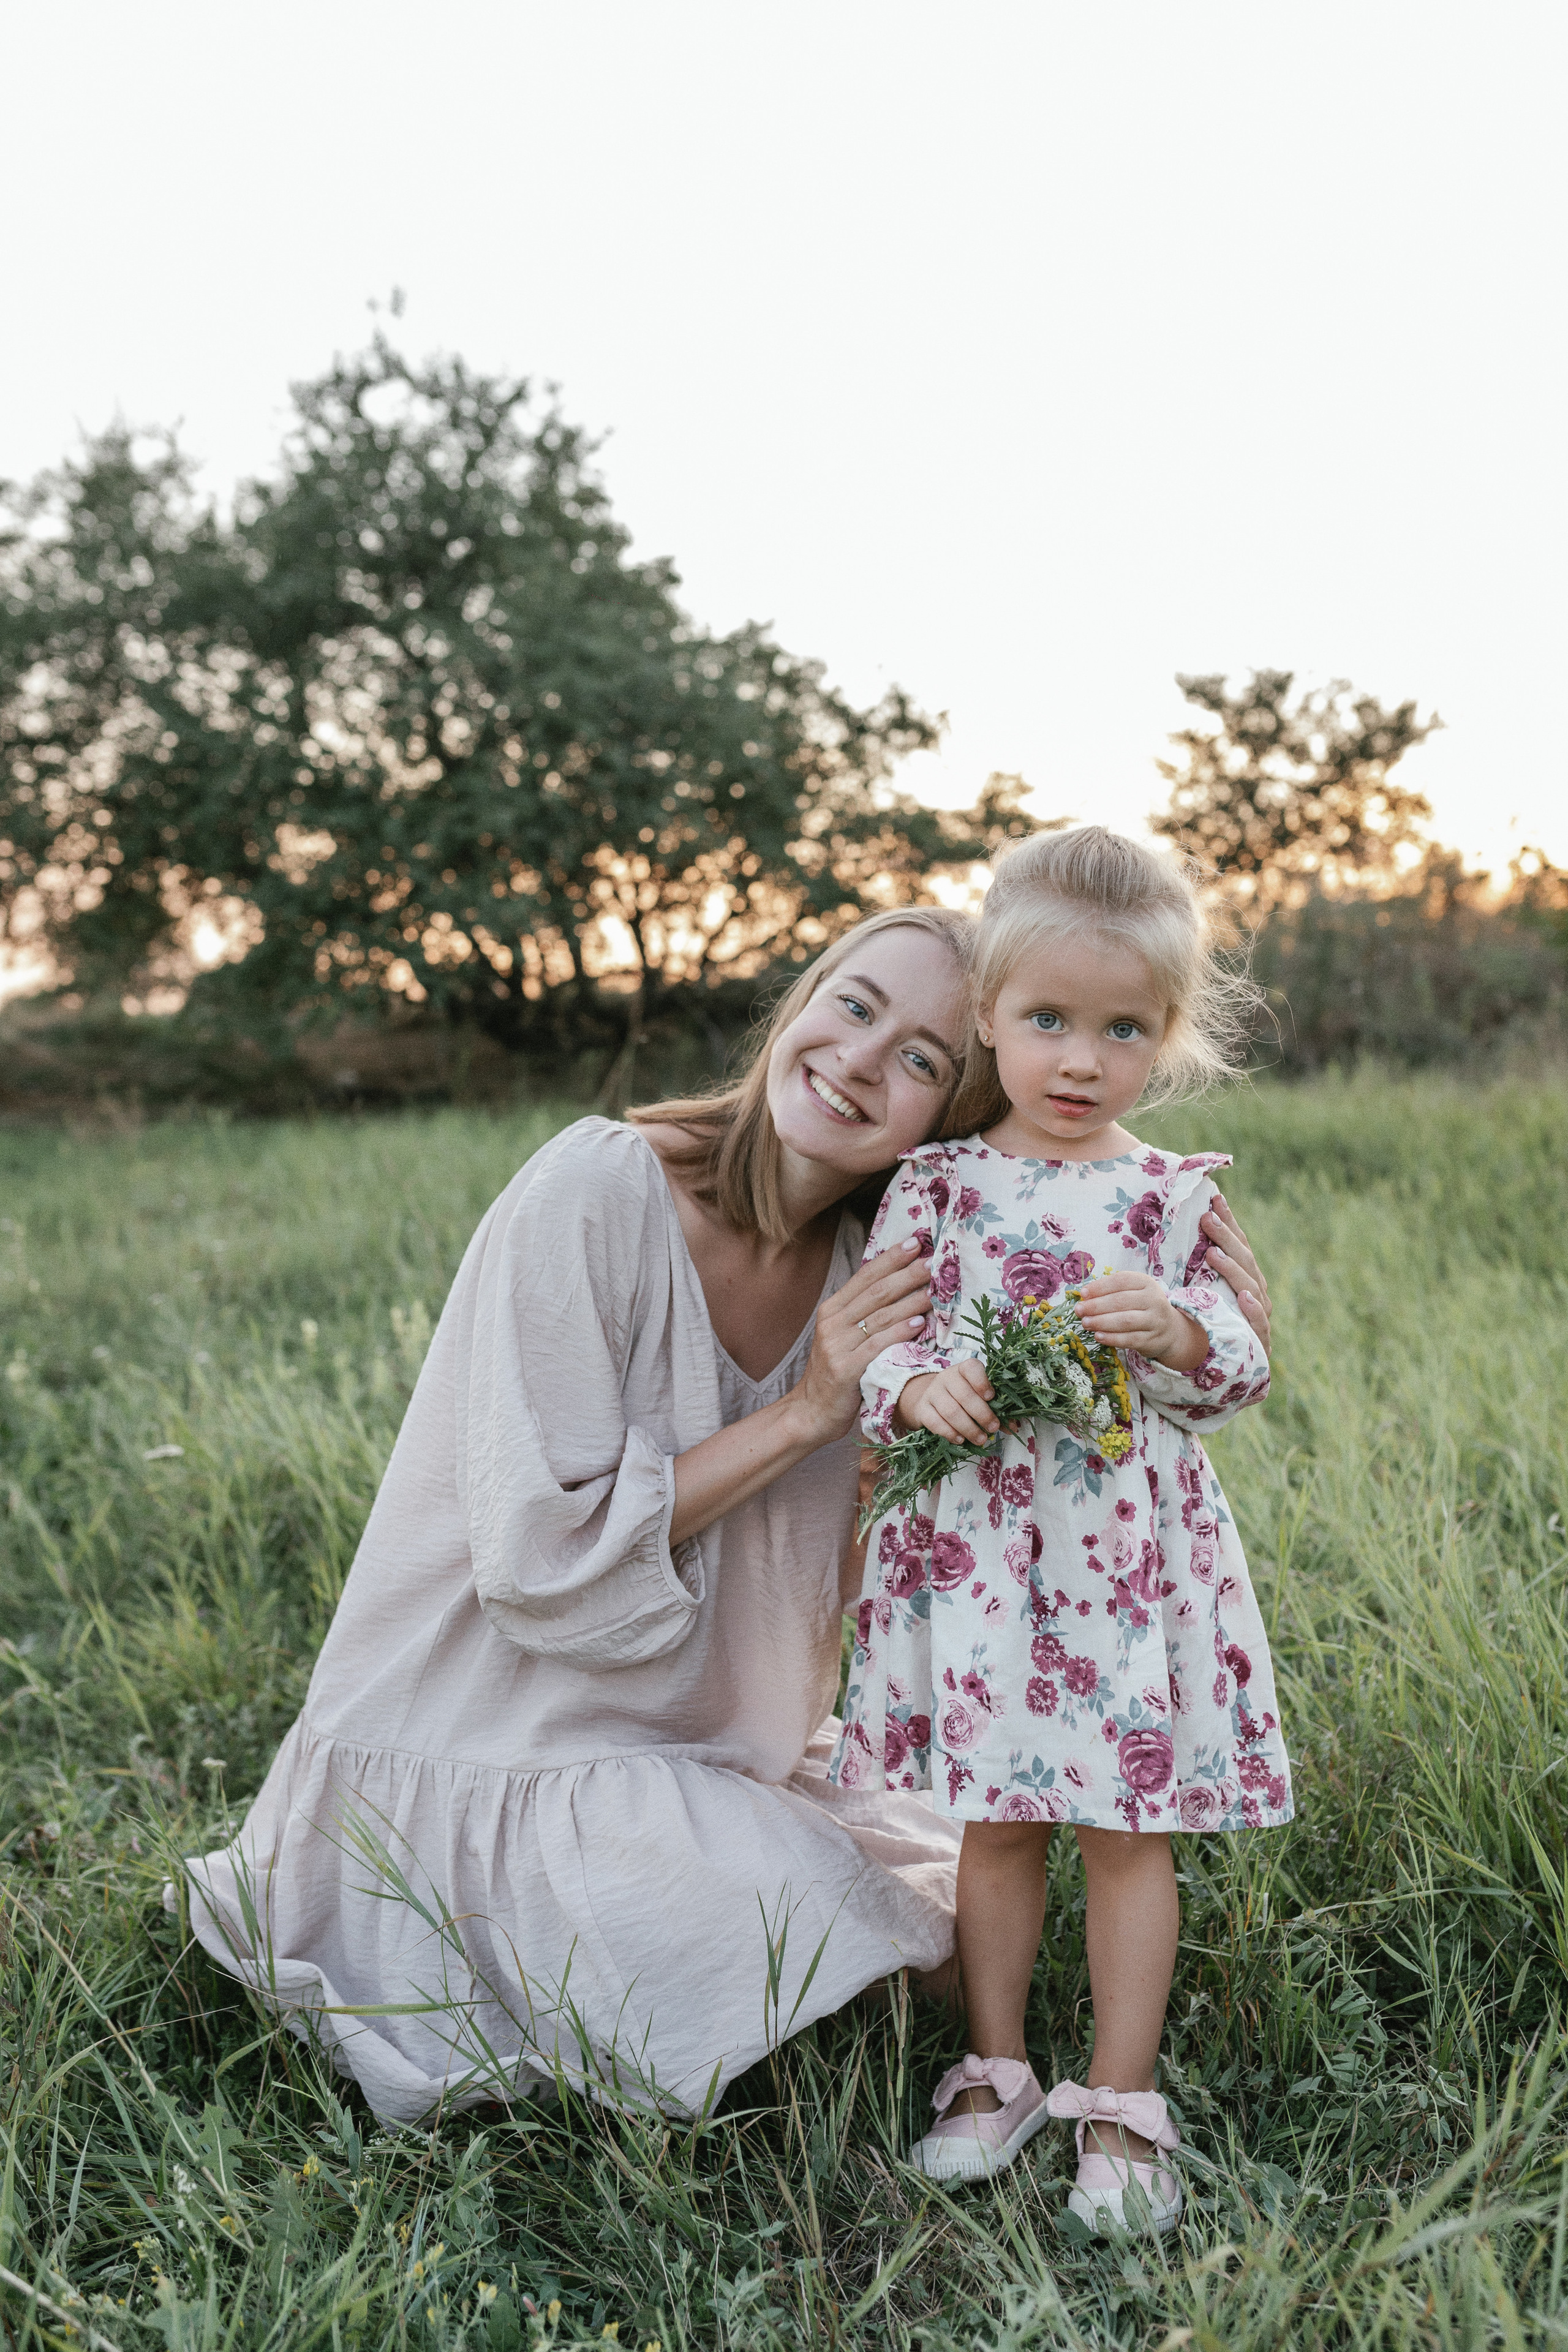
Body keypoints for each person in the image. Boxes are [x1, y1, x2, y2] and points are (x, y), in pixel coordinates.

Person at [176, 899, 1276, 2124]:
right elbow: (536, 1564)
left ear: (952, 1119)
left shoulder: (889, 1272)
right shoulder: (596, 1188)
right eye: (852, 1005)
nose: (859, 1059)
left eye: (919, 1057)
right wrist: (809, 1408)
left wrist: (1191, 1353)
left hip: (698, 1736)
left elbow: (910, 1547)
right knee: (769, 1928)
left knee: (906, 1896)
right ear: (799, 1006)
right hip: (494, 1734)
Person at [832, 828, 1291, 2226]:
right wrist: (919, 1385)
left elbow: (1236, 1369)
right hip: (981, 1565)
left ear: (1164, 1041)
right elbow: (872, 1362)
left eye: (1121, 1030)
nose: (1080, 1059)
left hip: (1125, 1568)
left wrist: (1180, 1331)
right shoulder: (936, 1187)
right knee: (1000, 1819)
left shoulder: (1167, 1196)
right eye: (1046, 1021)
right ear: (988, 1020)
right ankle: (995, 2061)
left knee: (1123, 1828)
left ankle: (1121, 2094)